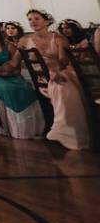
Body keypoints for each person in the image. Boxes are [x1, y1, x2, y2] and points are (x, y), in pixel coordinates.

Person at [19, 9, 91, 149]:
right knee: (59, 85)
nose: (32, 22)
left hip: (60, 70)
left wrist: (55, 69)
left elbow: (63, 61)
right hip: (40, 76)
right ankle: (62, 129)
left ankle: (69, 131)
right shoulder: (24, 40)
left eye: (36, 18)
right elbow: (16, 61)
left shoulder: (58, 38)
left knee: (63, 85)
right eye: (30, 19)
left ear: (46, 21)